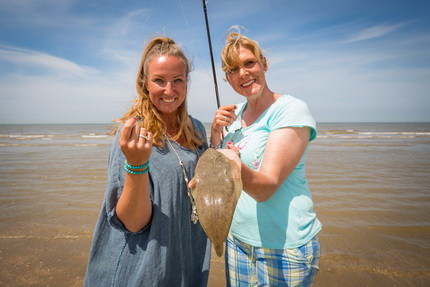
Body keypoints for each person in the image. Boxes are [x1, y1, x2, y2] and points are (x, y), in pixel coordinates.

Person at [84, 36, 211, 286]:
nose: (169, 90)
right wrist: (137, 164)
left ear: (187, 82)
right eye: (159, 80)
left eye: (178, 80)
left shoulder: (196, 128)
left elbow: (200, 185)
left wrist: (218, 147)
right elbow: (132, 222)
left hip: (185, 259)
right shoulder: (133, 135)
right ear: (144, 83)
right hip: (142, 267)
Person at [210, 27, 322, 286]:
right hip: (237, 241)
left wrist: (234, 164)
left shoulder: (290, 110)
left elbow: (266, 188)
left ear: (264, 63)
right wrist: (215, 134)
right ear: (227, 78)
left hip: (284, 248)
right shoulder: (232, 113)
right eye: (233, 69)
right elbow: (218, 170)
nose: (243, 73)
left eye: (249, 63)